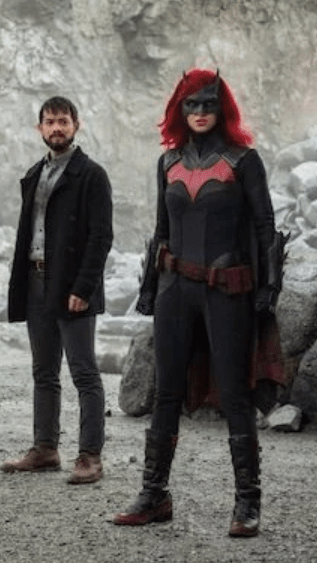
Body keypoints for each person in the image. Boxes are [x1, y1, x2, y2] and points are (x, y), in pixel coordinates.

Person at [112, 69, 285, 537]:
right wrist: (149, 288)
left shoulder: (244, 160)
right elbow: (161, 231)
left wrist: (268, 290)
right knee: (165, 391)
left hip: (226, 289)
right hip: (174, 289)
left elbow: (266, 228)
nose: (201, 112)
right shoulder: (168, 162)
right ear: (180, 109)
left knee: (235, 393)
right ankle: (154, 494)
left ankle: (247, 503)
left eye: (209, 103)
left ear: (221, 108)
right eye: (192, 104)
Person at [1, 97, 113, 484]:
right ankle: (45, 449)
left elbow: (101, 237)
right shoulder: (34, 174)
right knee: (44, 371)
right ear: (40, 128)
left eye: (63, 121)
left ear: (76, 126)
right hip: (36, 281)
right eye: (49, 122)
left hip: (71, 286)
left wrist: (83, 287)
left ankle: (90, 456)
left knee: (84, 372)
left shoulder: (92, 175)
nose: (56, 128)